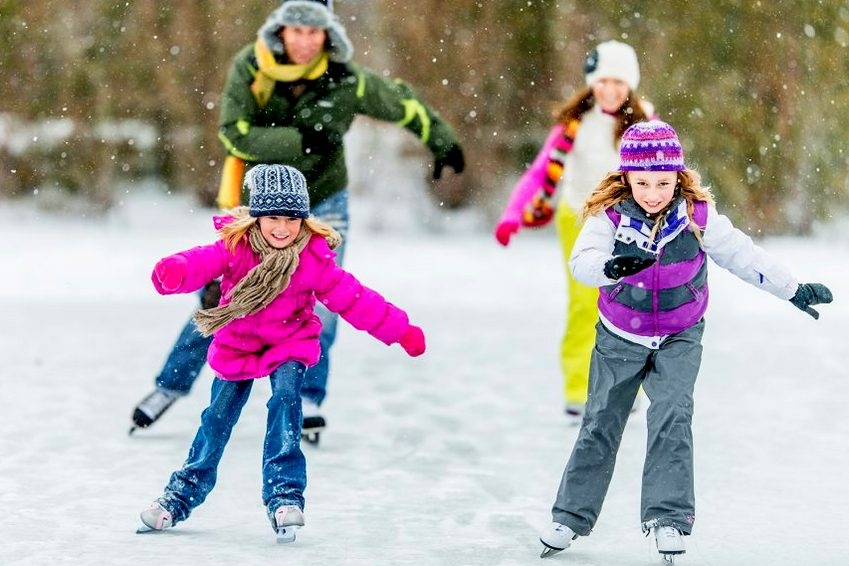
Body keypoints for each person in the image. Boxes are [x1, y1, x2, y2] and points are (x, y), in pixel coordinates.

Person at [130, 0, 464, 439]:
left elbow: (402, 103)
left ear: (328, 34)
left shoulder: (347, 79)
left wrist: (442, 141)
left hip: (323, 203)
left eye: (315, 31)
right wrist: (301, 140)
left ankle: (308, 396)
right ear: (280, 29)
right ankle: (169, 385)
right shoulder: (252, 68)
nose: (305, 41)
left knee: (324, 296)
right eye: (296, 30)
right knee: (222, 296)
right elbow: (235, 133)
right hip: (258, 206)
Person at [537, 120, 833, 561]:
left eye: (662, 181)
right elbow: (583, 261)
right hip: (619, 336)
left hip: (679, 335)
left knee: (673, 417)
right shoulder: (611, 216)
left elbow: (742, 254)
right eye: (642, 183)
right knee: (600, 422)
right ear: (626, 179)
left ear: (678, 175)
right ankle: (570, 517)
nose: (653, 192)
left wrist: (792, 289)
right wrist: (612, 267)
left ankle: (668, 520)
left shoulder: (697, 217)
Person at [137, 164, 427, 542]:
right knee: (216, 420)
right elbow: (200, 261)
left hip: (289, 342)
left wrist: (400, 330)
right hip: (237, 342)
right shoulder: (235, 248)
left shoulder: (312, 258)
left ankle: (284, 495)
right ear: (256, 217)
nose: (282, 228)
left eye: (292, 218)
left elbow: (354, 299)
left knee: (287, 403)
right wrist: (175, 270)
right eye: (273, 217)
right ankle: (180, 496)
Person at [494, 40, 653, 423]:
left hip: (628, 221)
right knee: (585, 304)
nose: (610, 90)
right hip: (579, 219)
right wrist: (513, 214)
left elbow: (666, 173)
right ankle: (577, 388)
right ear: (592, 83)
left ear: (629, 84)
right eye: (602, 81)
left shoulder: (645, 123)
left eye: (618, 82)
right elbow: (539, 171)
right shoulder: (574, 125)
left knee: (632, 302)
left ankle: (626, 387)